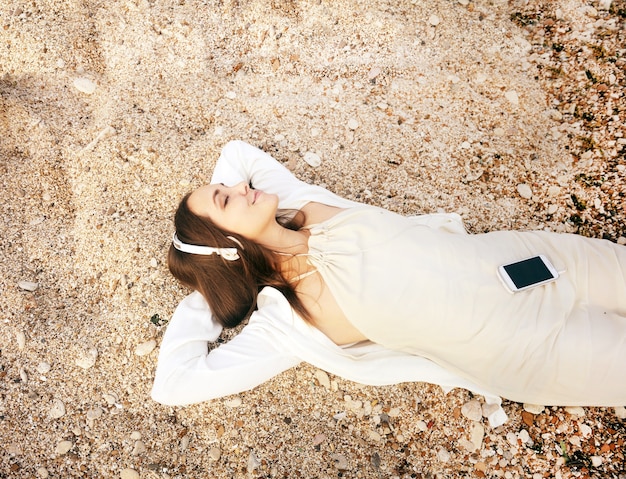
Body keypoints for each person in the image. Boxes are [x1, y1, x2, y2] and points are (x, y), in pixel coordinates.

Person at [151, 140, 626, 426]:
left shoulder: (299, 206)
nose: (238, 188)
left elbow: (236, 153)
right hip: (540, 349)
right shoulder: (290, 322)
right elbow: (174, 382)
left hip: (536, 260)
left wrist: (220, 234)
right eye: (226, 200)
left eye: (226, 189)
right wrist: (211, 289)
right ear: (227, 247)